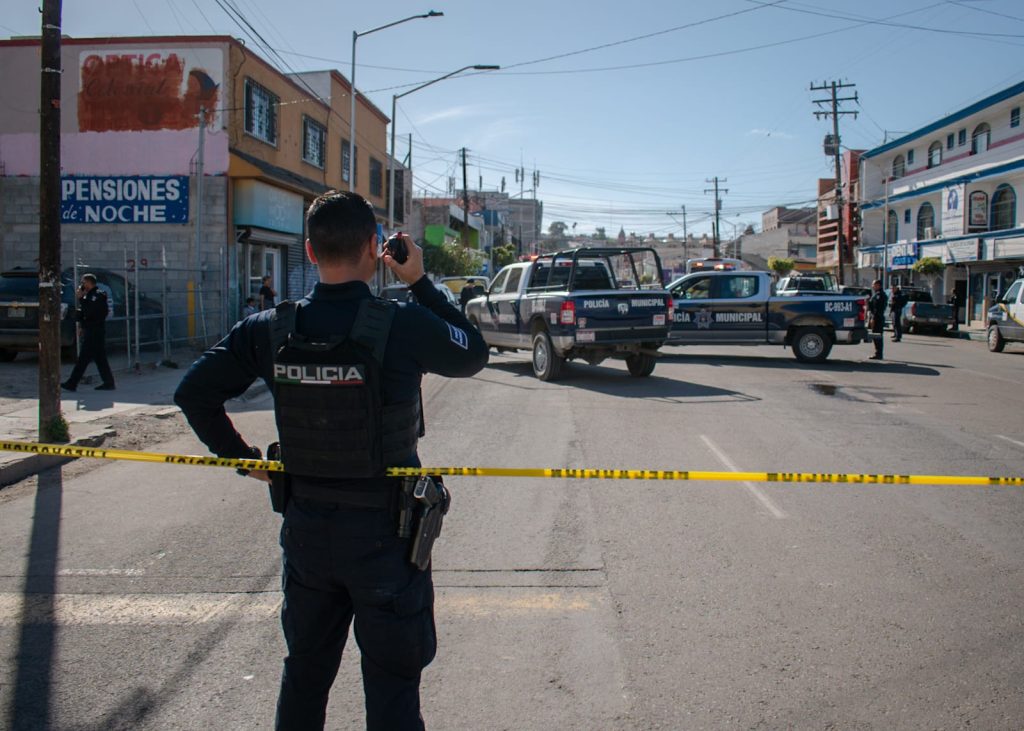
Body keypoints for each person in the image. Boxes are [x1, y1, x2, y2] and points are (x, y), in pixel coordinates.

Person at [174, 191, 488, 730]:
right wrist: (418, 281)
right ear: (375, 247)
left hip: (308, 533)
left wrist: (244, 459)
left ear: (311, 253)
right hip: (387, 539)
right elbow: (473, 353)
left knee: (306, 674)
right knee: (392, 684)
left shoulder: (269, 328)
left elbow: (193, 393)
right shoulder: (402, 322)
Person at [61, 273, 115, 391]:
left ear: (89, 283)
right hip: (91, 330)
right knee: (100, 358)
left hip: (95, 331)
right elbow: (82, 313)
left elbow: (91, 312)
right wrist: (81, 324)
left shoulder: (98, 295)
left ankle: (72, 383)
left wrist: (81, 298)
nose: (82, 285)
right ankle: (109, 382)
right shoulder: (88, 296)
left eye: (83, 282)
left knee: (84, 359)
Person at [867, 279, 888, 360]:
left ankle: (878, 354)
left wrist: (873, 319)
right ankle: (878, 353)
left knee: (877, 335)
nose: (873, 286)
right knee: (877, 335)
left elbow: (877, 308)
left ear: (878, 285)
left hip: (877, 318)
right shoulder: (876, 294)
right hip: (877, 317)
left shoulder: (879, 295)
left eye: (874, 285)